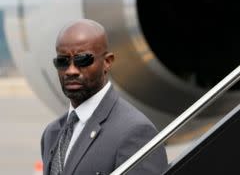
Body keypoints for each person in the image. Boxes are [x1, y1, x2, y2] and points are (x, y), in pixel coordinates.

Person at [40, 19, 167, 175]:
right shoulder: (52, 133)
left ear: (107, 62)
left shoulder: (135, 132)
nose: (71, 70)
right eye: (62, 61)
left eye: (83, 60)